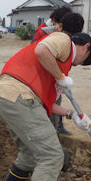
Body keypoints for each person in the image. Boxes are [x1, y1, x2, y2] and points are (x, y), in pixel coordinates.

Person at [0, 28, 91, 181]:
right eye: (85, 58)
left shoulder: (55, 67)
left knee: (30, 154)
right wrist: (61, 77)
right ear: (86, 47)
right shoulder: (64, 41)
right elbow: (41, 50)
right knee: (52, 156)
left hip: (8, 97)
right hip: (20, 96)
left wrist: (72, 114)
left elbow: (47, 105)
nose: (77, 64)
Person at [32, 7, 74, 135]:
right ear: (55, 20)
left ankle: (58, 126)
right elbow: (36, 52)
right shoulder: (42, 32)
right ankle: (50, 133)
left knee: (57, 100)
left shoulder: (64, 33)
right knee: (47, 105)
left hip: (56, 75)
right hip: (44, 76)